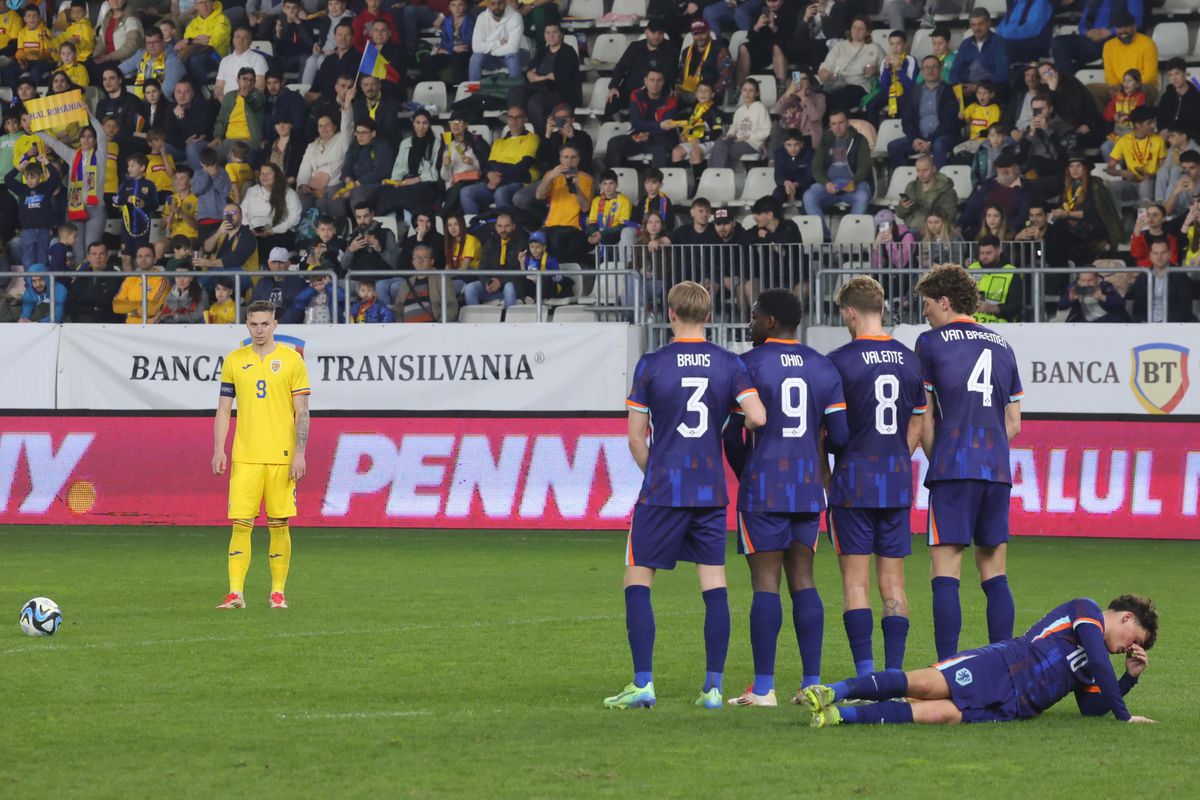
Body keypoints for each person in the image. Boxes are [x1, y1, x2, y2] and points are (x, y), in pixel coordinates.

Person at [604, 281, 767, 710]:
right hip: (709, 488)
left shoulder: (652, 364)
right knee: (714, 583)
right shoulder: (728, 363)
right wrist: (734, 426)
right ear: (708, 316)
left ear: (671, 315)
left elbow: (636, 439)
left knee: (638, 578)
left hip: (662, 488)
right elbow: (758, 415)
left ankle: (643, 685)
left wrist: (655, 471)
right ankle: (712, 689)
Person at [721, 289, 848, 707]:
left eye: (756, 315)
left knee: (765, 585)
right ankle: (811, 682)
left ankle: (763, 688)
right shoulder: (823, 366)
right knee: (805, 581)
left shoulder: (748, 364)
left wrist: (747, 472)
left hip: (764, 487)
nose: (751, 321)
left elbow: (731, 435)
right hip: (809, 487)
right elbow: (840, 435)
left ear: (771, 320)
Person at [803, 594, 1157, 727]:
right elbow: (1096, 657)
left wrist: (1129, 678)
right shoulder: (1087, 610)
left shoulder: (1096, 666)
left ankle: (838, 716)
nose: (1130, 649)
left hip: (1016, 707)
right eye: (1135, 641)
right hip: (1002, 666)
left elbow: (1091, 709)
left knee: (941, 714)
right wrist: (1124, 717)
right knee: (923, 685)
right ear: (1126, 618)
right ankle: (832, 691)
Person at [914, 263, 1023, 661]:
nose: (924, 312)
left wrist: (938, 457)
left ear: (944, 302)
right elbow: (1014, 423)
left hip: (953, 468)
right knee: (994, 572)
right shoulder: (1003, 344)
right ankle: (1004, 665)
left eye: (927, 304)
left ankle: (947, 666)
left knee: (946, 571)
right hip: (996, 470)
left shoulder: (929, 343)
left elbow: (924, 417)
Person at [826, 276, 926, 678]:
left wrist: (827, 477)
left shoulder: (839, 360)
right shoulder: (909, 359)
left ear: (850, 311)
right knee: (894, 583)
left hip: (853, 480)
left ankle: (866, 673)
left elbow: (827, 429)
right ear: (881, 308)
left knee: (855, 583)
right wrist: (899, 456)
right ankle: (894, 674)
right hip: (896, 480)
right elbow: (920, 421)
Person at [212, 299, 311, 610]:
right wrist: (219, 448)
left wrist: (300, 453)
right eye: (253, 324)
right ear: (247, 325)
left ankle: (277, 593)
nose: (259, 329)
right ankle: (235, 594)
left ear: (275, 325)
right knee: (241, 524)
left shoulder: (292, 360)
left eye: (264, 324)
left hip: (281, 457)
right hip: (246, 456)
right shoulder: (234, 360)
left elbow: (303, 412)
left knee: (279, 523)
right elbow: (224, 409)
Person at [460, 106, 537, 216]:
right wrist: (490, 174)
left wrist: (498, 179)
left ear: (525, 119)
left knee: (500, 193)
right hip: (496, 182)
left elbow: (522, 167)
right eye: (511, 117)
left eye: (518, 117)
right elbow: (489, 165)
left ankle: (505, 228)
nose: (514, 121)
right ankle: (475, 227)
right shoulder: (499, 142)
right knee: (466, 192)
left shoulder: (531, 138)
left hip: (519, 182)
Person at [803, 110, 871, 235]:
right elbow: (816, 169)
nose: (837, 127)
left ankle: (849, 238)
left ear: (848, 123)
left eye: (841, 123)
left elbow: (864, 168)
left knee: (862, 197)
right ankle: (824, 236)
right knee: (808, 196)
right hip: (830, 184)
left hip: (853, 183)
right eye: (833, 124)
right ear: (830, 126)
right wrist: (826, 183)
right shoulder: (825, 140)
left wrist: (853, 182)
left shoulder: (859, 140)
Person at [507, 22, 579, 134]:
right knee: (514, 91)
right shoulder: (543, 52)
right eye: (548, 33)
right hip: (540, 87)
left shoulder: (568, 52)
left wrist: (537, 78)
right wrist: (542, 78)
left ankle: (539, 134)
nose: (551, 36)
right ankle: (518, 124)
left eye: (555, 32)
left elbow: (559, 77)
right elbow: (529, 73)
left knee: (535, 101)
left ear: (561, 35)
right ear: (544, 36)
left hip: (559, 91)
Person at [889, 55, 960, 170]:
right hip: (919, 138)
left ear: (940, 70)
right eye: (926, 67)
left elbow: (949, 122)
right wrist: (915, 139)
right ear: (921, 71)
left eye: (934, 67)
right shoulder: (914, 92)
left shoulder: (949, 91)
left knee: (939, 145)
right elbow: (907, 120)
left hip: (942, 137)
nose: (930, 70)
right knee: (894, 146)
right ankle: (908, 182)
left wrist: (930, 142)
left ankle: (939, 183)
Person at [605, 68, 679, 169]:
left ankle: (655, 183)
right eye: (652, 80)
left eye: (659, 80)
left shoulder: (671, 99)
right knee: (614, 143)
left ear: (663, 82)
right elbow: (636, 122)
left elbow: (667, 127)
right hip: (639, 134)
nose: (655, 84)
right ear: (645, 81)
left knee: (660, 148)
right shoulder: (636, 95)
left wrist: (649, 133)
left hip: (662, 138)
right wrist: (656, 126)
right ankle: (615, 179)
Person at [605, 18, 678, 118]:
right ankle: (609, 129)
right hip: (630, 91)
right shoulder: (635, 46)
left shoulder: (670, 49)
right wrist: (613, 87)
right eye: (653, 32)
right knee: (612, 100)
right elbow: (620, 67)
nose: (656, 36)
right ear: (646, 32)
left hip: (654, 93)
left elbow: (669, 74)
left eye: (660, 33)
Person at [378, 110, 443, 220]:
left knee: (412, 192)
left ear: (429, 125)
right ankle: (389, 225)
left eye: (425, 123)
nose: (421, 126)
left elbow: (435, 172)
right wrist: (396, 181)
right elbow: (399, 166)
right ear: (413, 124)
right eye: (418, 123)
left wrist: (416, 180)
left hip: (426, 182)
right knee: (387, 191)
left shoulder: (436, 144)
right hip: (406, 180)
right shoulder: (405, 143)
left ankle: (411, 225)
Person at [534, 144, 592, 264]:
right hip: (550, 224)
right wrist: (549, 178)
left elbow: (586, 208)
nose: (569, 161)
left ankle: (558, 275)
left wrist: (576, 189)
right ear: (560, 159)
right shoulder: (551, 175)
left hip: (574, 226)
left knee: (556, 238)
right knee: (537, 238)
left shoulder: (586, 178)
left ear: (578, 159)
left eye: (573, 157)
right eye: (566, 157)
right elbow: (539, 196)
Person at [816, 15, 881, 116]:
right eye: (854, 27)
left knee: (832, 100)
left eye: (861, 28)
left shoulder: (874, 48)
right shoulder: (840, 46)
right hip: (836, 83)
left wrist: (876, 70)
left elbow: (887, 69)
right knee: (818, 97)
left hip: (859, 86)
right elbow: (824, 68)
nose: (856, 31)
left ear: (868, 32)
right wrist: (827, 75)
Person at [241, 162, 302, 263]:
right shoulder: (252, 191)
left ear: (276, 175)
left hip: (278, 230)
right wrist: (250, 229)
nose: (265, 176)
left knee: (270, 244)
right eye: (262, 174)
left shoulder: (288, 193)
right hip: (253, 230)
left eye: (268, 173)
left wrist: (274, 230)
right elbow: (242, 212)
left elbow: (294, 217)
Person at [6, 158, 61, 269]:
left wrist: (47, 163)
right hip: (27, 231)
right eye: (27, 177)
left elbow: (55, 177)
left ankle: (43, 284)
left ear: (40, 177)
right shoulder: (22, 189)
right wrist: (19, 168)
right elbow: (8, 179)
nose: (29, 180)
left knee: (43, 259)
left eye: (33, 177)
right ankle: (29, 285)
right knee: (28, 260)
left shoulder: (46, 188)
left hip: (44, 230)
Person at [1127, 239, 1199, 323]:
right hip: (1147, 324)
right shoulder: (1143, 276)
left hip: (1173, 324)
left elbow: (1184, 307)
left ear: (1169, 254)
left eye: (1163, 252)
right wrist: (1144, 322)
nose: (1159, 257)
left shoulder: (1180, 275)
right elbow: (1138, 307)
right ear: (1150, 255)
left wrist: (1165, 324)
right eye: (1155, 253)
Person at [1106, 106, 1165, 207]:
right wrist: (1122, 173)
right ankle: (1118, 218)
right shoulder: (1124, 140)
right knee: (1112, 186)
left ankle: (1145, 217)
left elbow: (1164, 171)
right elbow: (1109, 169)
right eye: (1150, 122)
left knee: (1145, 184)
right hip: (1132, 182)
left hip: (1151, 183)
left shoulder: (1158, 140)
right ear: (1138, 125)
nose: (1154, 126)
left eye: (1154, 122)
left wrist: (1149, 175)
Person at [465, 212, 523, 308]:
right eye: (500, 226)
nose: (503, 230)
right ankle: (475, 321)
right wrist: (487, 282)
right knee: (470, 288)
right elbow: (482, 267)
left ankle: (508, 320)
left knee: (509, 287)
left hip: (513, 287)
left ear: (513, 226)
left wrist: (500, 281)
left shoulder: (521, 242)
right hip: (492, 286)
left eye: (507, 226)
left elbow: (519, 272)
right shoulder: (490, 242)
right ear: (495, 227)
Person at [709, 78, 770, 169]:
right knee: (719, 142)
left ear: (756, 93)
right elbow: (734, 126)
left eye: (751, 90)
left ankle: (720, 175)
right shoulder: (740, 110)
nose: (747, 93)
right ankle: (713, 173)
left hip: (752, 143)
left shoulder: (760, 108)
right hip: (737, 140)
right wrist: (730, 134)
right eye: (745, 90)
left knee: (726, 150)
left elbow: (766, 131)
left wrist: (749, 137)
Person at [440, 111, 490, 215]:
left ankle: (443, 216)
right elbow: (445, 177)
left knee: (461, 189)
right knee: (457, 190)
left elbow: (486, 166)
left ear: (466, 125)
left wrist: (472, 162)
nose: (455, 124)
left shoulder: (475, 142)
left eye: (459, 121)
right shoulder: (448, 145)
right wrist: (446, 166)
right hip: (454, 185)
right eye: (452, 122)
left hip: (472, 182)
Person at [866, 29, 917, 127]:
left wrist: (899, 68)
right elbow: (884, 86)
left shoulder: (910, 60)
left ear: (905, 45)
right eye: (892, 44)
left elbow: (910, 86)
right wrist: (886, 68)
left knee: (903, 103)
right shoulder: (885, 60)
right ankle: (874, 135)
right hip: (889, 91)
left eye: (898, 44)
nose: (895, 47)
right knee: (871, 105)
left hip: (905, 92)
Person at [896, 155, 957, 236]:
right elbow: (900, 214)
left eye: (925, 170)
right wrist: (903, 207)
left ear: (933, 169)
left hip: (934, 232)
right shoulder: (911, 186)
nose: (921, 174)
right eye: (918, 170)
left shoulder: (947, 191)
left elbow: (950, 216)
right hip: (911, 229)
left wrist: (928, 228)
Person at [968, 235, 1023, 323]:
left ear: (999, 251)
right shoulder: (971, 269)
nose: (984, 257)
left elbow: (1017, 305)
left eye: (989, 253)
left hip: (999, 325)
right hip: (971, 324)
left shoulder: (1011, 272)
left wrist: (994, 308)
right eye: (981, 253)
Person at [120, 27, 185, 99]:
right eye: (149, 43)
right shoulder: (141, 55)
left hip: (163, 102)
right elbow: (119, 70)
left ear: (163, 42)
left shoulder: (173, 61)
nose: (152, 46)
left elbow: (168, 91)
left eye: (155, 42)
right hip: (142, 99)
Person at [1101, 10, 1157, 92]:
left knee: (1144, 89)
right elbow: (1109, 74)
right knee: (1091, 90)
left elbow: (1149, 75)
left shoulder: (1148, 44)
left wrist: (1130, 86)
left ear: (1134, 26)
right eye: (1119, 27)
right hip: (1118, 87)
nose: (1123, 31)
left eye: (1126, 27)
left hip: (1142, 86)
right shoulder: (1109, 46)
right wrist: (1118, 87)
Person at [469, 0, 524, 81]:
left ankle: (515, 91)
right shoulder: (482, 18)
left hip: (512, 55)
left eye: (500, 3)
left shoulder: (515, 17)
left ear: (505, 2)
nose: (497, 6)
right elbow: (476, 47)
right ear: (488, 4)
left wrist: (490, 51)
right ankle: (473, 91)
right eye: (493, 3)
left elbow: (513, 48)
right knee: (475, 58)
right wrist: (498, 43)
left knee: (512, 58)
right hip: (489, 57)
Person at [111, 245, 169, 323]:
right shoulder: (130, 279)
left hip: (150, 328)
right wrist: (141, 304)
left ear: (155, 259)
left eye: (147, 256)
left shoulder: (161, 280)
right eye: (140, 256)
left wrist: (129, 311)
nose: (143, 259)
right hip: (129, 328)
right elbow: (116, 306)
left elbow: (153, 308)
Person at [1057, 271, 1129, 323]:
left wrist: (1102, 297)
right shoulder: (1074, 288)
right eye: (1083, 280)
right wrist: (1070, 299)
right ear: (1079, 280)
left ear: (1097, 279)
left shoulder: (1104, 286)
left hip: (1108, 320)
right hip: (1087, 322)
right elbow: (1061, 306)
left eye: (1090, 280)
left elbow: (1121, 304)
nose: (1086, 284)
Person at [1158, 58, 1200, 144]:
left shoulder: (1196, 97)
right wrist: (1163, 129)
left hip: (1189, 141)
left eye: (1177, 73)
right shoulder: (1166, 97)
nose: (1174, 78)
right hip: (1168, 140)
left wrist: (1181, 135)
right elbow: (1160, 118)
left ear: (1185, 74)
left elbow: (1196, 124)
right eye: (1170, 75)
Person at [772, 128, 813, 205]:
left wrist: (795, 184)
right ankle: (777, 216)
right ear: (784, 145)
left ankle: (805, 216)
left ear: (801, 144)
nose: (793, 149)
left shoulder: (809, 153)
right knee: (777, 195)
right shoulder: (779, 153)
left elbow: (809, 176)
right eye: (789, 145)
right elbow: (778, 175)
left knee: (809, 196)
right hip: (786, 186)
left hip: (804, 186)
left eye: (796, 144)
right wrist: (786, 183)